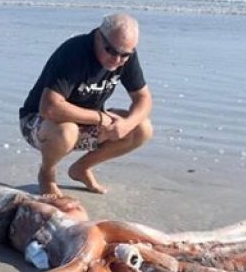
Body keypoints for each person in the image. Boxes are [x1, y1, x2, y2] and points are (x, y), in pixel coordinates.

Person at [18, 13, 153, 196]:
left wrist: (127, 124)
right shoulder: (74, 52)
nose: (116, 60)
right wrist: (100, 118)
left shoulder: (124, 54)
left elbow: (144, 98)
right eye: (111, 51)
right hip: (40, 123)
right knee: (67, 131)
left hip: (88, 122)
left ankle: (81, 168)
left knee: (142, 128)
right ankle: (47, 174)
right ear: (98, 36)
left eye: (125, 55)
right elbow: (49, 107)